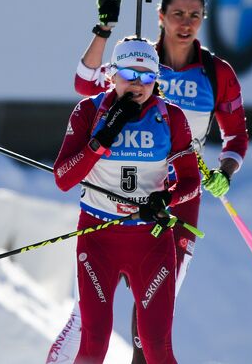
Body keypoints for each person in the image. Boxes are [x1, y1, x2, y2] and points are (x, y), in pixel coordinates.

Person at [48, 0, 249, 364]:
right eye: (178, 14)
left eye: (195, 15)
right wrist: (104, 29)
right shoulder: (139, 58)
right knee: (88, 324)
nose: (186, 23)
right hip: (109, 204)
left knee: (150, 328)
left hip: (175, 200)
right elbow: (85, 85)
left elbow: (236, 137)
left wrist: (225, 171)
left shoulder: (215, 72)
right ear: (160, 15)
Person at [49, 37, 200, 364]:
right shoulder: (89, 111)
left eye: (147, 77)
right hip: (97, 236)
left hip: (150, 241)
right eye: (130, 74)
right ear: (112, 74)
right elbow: (63, 178)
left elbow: (191, 179)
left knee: (156, 346)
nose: (138, 84)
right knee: (95, 340)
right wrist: (102, 139)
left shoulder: (170, 117)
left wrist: (165, 199)